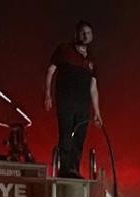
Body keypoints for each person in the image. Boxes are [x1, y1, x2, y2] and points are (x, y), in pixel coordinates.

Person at [45, 21, 102, 179]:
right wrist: (48, 94)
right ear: (76, 34)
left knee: (80, 135)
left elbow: (93, 88)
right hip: (66, 100)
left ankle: (74, 169)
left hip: (83, 104)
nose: (85, 35)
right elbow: (51, 71)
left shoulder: (91, 59)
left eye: (88, 33)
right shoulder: (64, 50)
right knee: (66, 134)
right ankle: (65, 169)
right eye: (83, 32)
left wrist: (97, 112)